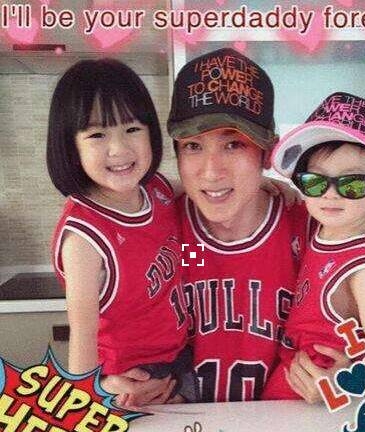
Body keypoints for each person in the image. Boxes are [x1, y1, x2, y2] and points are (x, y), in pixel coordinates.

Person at [166, 48, 347, 403]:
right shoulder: (168, 233)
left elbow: (362, 338)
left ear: (268, 152)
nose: (211, 171)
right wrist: (114, 383)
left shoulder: (313, 231)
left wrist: (350, 376)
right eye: (193, 146)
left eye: (233, 144)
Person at [47, 58, 198, 403]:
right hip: (133, 382)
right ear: (71, 147)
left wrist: (265, 185)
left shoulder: (157, 190)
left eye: (132, 129)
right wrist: (95, 394)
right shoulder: (84, 238)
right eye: (97, 135)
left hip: (182, 359)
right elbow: (82, 339)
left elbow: (202, 190)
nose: (119, 149)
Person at [264, 92, 365, 399]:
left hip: (312, 392)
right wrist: (262, 183)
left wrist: (341, 389)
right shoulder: (333, 230)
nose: (330, 194)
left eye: (351, 183)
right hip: (293, 375)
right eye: (315, 182)